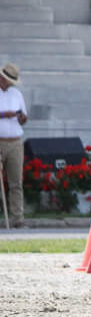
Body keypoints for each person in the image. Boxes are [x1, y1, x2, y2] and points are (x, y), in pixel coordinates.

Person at [0, 63, 27, 228]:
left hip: (15, 142)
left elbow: (24, 117)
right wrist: (4, 114)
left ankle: (18, 218)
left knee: (16, 182)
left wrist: (21, 117)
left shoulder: (16, 94)